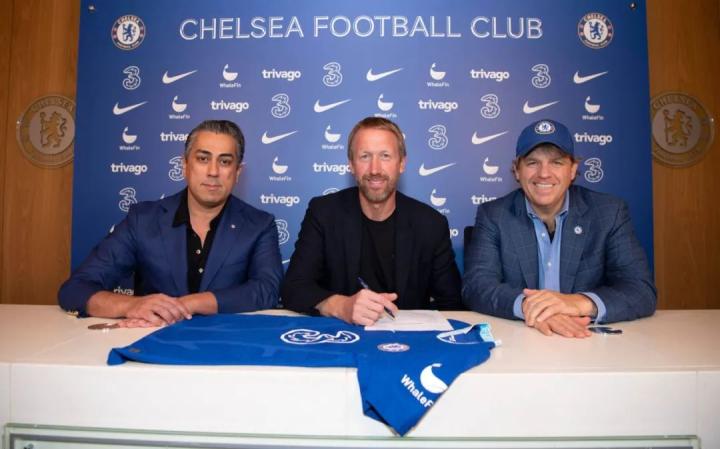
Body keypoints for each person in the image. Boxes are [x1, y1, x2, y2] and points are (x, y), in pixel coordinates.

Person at [58, 120, 283, 326]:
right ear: (185, 165)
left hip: (226, 347)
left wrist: (189, 304)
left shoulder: (259, 225)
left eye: (225, 162)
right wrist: (132, 305)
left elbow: (267, 291)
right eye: (203, 159)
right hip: (150, 344)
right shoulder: (143, 219)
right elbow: (75, 290)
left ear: (237, 172)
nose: (213, 171)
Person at [462, 119, 656, 337]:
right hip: (523, 340)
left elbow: (641, 291)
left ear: (572, 170)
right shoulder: (494, 215)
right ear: (517, 170)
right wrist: (531, 306)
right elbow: (477, 286)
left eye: (556, 162)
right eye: (532, 163)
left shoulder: (609, 212)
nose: (544, 173)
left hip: (587, 340)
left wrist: (576, 303)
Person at [281, 117, 462, 325]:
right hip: (341, 336)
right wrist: (341, 306)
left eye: (385, 156)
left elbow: (452, 303)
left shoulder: (430, 224)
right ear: (351, 165)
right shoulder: (323, 213)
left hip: (407, 340)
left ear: (402, 163)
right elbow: (293, 287)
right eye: (365, 156)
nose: (375, 169)